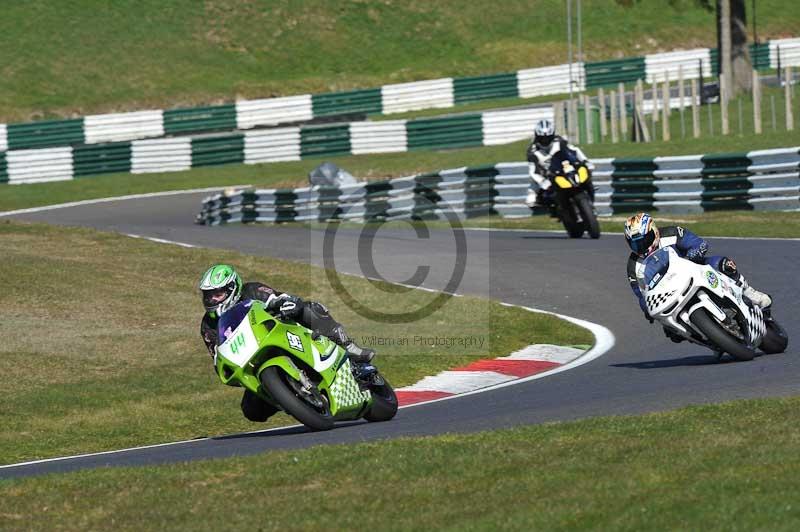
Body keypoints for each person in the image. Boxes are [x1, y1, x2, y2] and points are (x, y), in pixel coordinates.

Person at [198, 264, 376, 422]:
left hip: (282, 331)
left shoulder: (251, 290)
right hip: (252, 358)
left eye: (217, 294)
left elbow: (279, 297)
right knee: (251, 411)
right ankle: (288, 396)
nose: (212, 300)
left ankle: (348, 347)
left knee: (310, 308)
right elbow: (218, 355)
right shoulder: (208, 326)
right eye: (208, 296)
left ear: (232, 289)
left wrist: (287, 303)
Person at [623, 213, 772, 342]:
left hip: (694, 270)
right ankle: (706, 339)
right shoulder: (633, 266)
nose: (642, 246)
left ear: (654, 231)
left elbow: (699, 244)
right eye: (635, 244)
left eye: (644, 240)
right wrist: (647, 310)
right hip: (669, 294)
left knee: (723, 264)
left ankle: (751, 294)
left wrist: (690, 257)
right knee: (671, 332)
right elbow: (641, 295)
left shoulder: (672, 233)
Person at [525, 118, 591, 208]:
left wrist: (585, 161)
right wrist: (543, 181)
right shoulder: (532, 151)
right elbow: (532, 171)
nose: (545, 141)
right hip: (547, 173)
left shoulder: (560, 141)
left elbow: (574, 150)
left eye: (548, 138)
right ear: (537, 137)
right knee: (531, 199)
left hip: (563, 167)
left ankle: (588, 191)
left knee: (586, 170)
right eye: (542, 138)